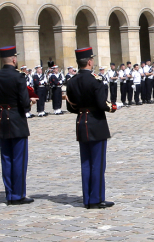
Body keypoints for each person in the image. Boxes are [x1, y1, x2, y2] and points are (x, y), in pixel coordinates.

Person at [65, 46, 120, 209]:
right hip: (96, 123)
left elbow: (70, 107)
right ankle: (96, 198)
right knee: (97, 163)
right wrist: (114, 107)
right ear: (89, 62)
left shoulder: (72, 81)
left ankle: (87, 198)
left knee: (86, 163)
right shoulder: (95, 80)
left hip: (81, 121)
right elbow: (102, 103)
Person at [0, 46, 37, 205]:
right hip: (16, 118)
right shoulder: (19, 77)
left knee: (6, 158)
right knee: (19, 158)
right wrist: (31, 101)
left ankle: (9, 193)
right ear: (14, 59)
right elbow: (24, 102)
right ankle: (18, 194)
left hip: (2, 118)